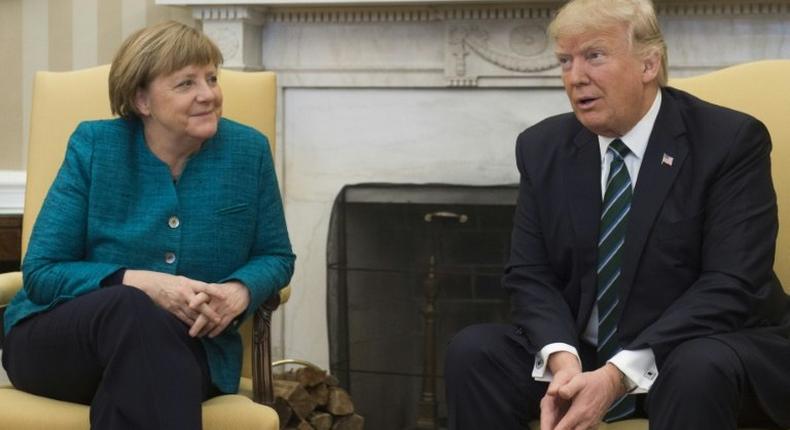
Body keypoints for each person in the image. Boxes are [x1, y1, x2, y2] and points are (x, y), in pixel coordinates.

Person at [445, 0, 790, 429]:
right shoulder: (543, 147)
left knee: (696, 367)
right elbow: (529, 274)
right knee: (474, 351)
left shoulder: (729, 142)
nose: (575, 77)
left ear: (649, 64)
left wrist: (618, 374)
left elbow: (733, 283)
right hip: (587, 352)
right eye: (565, 61)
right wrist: (562, 359)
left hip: (698, 346)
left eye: (594, 56)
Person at [1, 21, 295, 429]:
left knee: (140, 375)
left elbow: (275, 255)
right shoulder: (95, 146)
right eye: (186, 83)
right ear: (142, 100)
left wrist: (239, 291)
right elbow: (43, 272)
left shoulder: (248, 152)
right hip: (61, 344)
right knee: (131, 307)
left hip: (190, 351)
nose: (208, 94)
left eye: (211, 78)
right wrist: (144, 283)